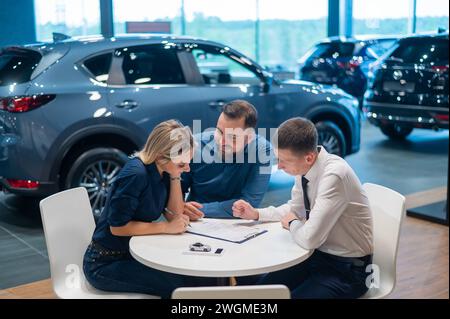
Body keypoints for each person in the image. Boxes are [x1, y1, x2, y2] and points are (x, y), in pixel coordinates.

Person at [232, 117, 373, 299]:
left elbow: (309, 238)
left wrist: (292, 224)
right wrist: (256, 213)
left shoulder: (335, 175)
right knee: (260, 293)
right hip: (317, 258)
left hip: (349, 271)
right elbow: (295, 210)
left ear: (309, 157)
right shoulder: (305, 168)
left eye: (284, 161)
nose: (280, 166)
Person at [83, 120, 197, 299]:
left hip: (132, 253)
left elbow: (174, 215)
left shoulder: (163, 169)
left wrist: (176, 175)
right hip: (105, 262)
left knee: (191, 276)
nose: (187, 168)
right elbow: (117, 227)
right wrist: (165, 228)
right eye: (182, 164)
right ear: (161, 156)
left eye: (188, 163)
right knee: (176, 286)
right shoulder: (136, 175)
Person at [181, 100, 272, 219]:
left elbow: (249, 203)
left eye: (232, 137)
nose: (221, 142)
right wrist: (180, 208)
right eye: (219, 131)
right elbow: (177, 189)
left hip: (236, 224)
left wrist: (197, 209)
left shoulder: (262, 151)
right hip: (193, 222)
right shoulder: (196, 145)